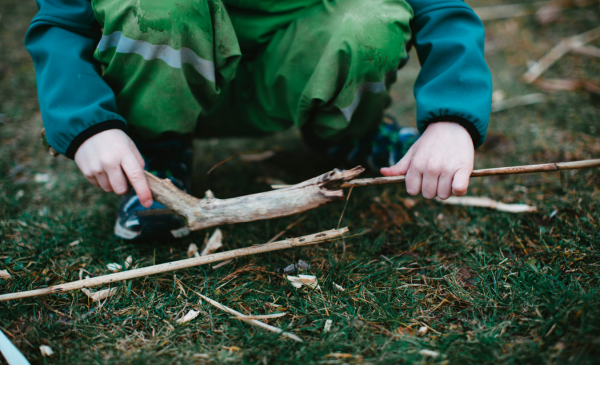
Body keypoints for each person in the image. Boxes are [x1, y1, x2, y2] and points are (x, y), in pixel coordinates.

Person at [25, 0, 492, 241]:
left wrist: (452, 118)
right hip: (170, 80)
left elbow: (442, 10)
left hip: (298, 72)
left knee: (371, 17)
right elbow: (64, 22)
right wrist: (90, 124)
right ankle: (157, 152)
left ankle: (350, 135)